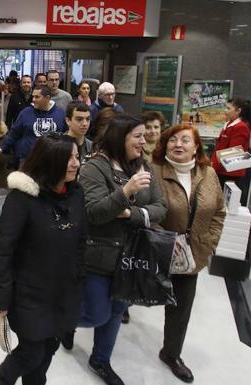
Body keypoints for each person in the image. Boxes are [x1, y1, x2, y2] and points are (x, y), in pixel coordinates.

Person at [75, 114, 167, 385]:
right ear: (119, 137)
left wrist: (130, 214)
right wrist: (125, 190)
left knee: (117, 311)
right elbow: (93, 212)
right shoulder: (94, 167)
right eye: (137, 136)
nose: (144, 140)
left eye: (144, 135)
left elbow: (161, 208)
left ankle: (100, 360)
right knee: (97, 313)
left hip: (132, 257)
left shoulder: (143, 166)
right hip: (99, 256)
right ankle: (64, 324)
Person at [0, 134, 85, 385]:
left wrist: (78, 276)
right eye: (69, 158)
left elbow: (80, 241)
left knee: (49, 350)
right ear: (51, 161)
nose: (76, 163)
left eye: (77, 157)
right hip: (29, 295)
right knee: (31, 353)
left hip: (63, 291)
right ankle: (6, 375)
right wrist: (2, 293)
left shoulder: (76, 194)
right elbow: (4, 250)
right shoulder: (22, 199)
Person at [152, 124, 225, 383]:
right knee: (130, 294)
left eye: (185, 140)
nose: (178, 144)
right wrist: (161, 239)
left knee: (181, 308)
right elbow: (144, 207)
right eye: (173, 140)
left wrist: (209, 243)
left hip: (191, 256)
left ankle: (171, 353)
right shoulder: (154, 170)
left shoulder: (208, 174)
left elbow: (218, 212)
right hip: (157, 250)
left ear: (197, 146)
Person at [0, 85, 65, 166]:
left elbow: (65, 136)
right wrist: (2, 147)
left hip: (51, 160)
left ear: (47, 98)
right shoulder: (25, 113)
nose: (33, 99)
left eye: (37, 97)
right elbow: (14, 133)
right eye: (33, 96)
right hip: (27, 159)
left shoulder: (60, 114)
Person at [211, 97, 251, 192]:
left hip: (230, 173)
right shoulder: (229, 124)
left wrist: (213, 165)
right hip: (221, 170)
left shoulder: (241, 127)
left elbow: (234, 152)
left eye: (228, 108)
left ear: (238, 111)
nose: (225, 111)